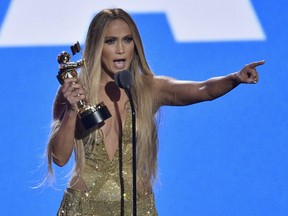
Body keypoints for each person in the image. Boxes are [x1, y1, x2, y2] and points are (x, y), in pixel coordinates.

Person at [45, 8, 265, 216]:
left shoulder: (149, 88)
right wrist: (72, 112)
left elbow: (203, 90)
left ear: (135, 45)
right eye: (111, 41)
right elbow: (60, 158)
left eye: (127, 40)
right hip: (83, 208)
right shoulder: (74, 90)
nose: (121, 49)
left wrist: (235, 78)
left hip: (137, 207)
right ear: (96, 47)